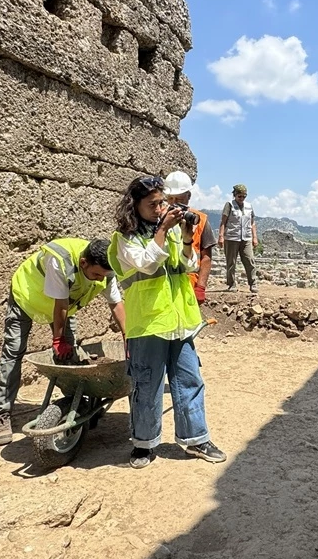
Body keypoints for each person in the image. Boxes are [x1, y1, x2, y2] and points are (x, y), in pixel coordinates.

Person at [109, 175, 226, 469]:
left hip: (179, 321)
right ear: (134, 206)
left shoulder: (171, 231)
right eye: (153, 205)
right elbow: (148, 263)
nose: (160, 208)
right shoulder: (124, 239)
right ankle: (143, 444)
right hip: (148, 323)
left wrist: (186, 238)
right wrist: (163, 229)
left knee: (190, 380)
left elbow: (189, 264)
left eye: (162, 202)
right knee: (147, 384)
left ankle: (196, 439)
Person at [0, 238, 126, 445]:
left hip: (61, 306)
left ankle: (75, 405)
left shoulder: (106, 269)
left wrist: (129, 338)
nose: (100, 280)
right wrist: (58, 339)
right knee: (14, 351)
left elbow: (116, 304)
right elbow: (60, 303)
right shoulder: (60, 260)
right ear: (83, 263)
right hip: (27, 296)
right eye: (96, 274)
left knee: (69, 356)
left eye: (103, 275)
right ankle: (1, 414)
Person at [164, 171, 215, 304]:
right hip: (165, 285)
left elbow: (206, 257)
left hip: (189, 283)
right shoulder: (160, 218)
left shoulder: (200, 220)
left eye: (179, 199)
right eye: (170, 199)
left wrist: (201, 287)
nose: (174, 204)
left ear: (188, 196)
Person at [218, 183, 258, 293]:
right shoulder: (229, 205)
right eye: (239, 196)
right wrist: (221, 236)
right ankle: (232, 284)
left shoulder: (249, 206)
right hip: (231, 237)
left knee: (249, 260)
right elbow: (223, 221)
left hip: (246, 238)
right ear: (235, 195)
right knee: (231, 262)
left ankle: (253, 283)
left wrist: (255, 237)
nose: (242, 198)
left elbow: (252, 222)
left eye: (244, 196)